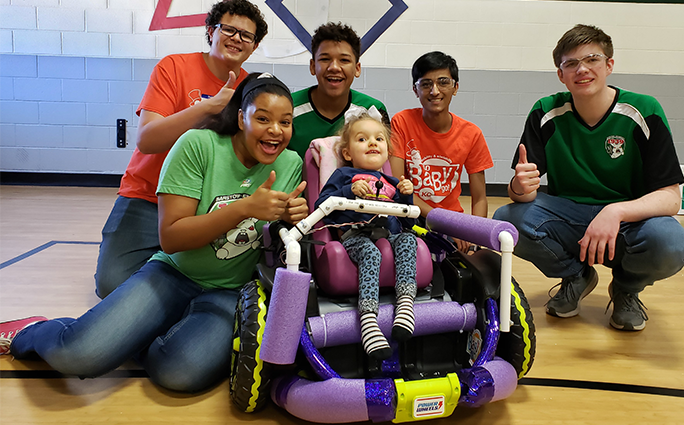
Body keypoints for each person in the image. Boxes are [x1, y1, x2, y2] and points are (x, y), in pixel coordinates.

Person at [0, 73, 308, 393]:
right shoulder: (197, 145)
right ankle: (30, 332)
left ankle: (137, 334)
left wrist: (289, 218)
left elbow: (273, 237)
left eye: (285, 122)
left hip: (229, 291)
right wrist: (244, 208)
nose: (275, 130)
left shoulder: (289, 164)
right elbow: (172, 238)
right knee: (79, 356)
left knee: (178, 374)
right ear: (241, 118)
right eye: (263, 118)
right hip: (172, 273)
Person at [492, 24, 684, 331]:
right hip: (569, 215)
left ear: (609, 64)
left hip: (627, 221)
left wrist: (616, 210)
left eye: (592, 59)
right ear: (561, 74)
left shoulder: (644, 110)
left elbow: (672, 197)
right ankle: (576, 276)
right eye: (571, 63)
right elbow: (521, 195)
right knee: (506, 219)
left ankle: (626, 289)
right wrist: (519, 186)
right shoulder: (545, 110)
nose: (582, 69)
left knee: (672, 241)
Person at [95, 0, 268, 298]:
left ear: (253, 47)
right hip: (147, 196)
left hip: (204, 205)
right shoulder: (173, 67)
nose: (237, 38)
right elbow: (147, 140)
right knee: (110, 284)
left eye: (246, 35)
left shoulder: (249, 89)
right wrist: (209, 108)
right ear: (210, 31)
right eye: (229, 29)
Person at [314, 106, 417, 360]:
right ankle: (368, 320)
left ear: (387, 150)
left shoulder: (391, 182)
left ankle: (405, 304)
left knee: (408, 239)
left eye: (379, 139)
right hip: (356, 238)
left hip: (389, 236)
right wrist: (349, 190)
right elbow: (321, 204)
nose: (372, 142)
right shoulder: (343, 175)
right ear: (347, 152)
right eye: (362, 139)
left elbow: (405, 215)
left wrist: (405, 193)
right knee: (371, 253)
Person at [390, 51, 493, 253]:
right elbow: (396, 184)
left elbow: (479, 198)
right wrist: (444, 223)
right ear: (415, 90)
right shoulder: (402, 122)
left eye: (443, 82)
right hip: (412, 216)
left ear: (455, 87)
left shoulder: (471, 134)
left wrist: (473, 235)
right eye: (426, 84)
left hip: (452, 221)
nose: (434, 91)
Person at [288, 22, 388, 159]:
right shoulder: (289, 108)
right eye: (325, 59)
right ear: (312, 66)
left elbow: (384, 163)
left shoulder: (372, 110)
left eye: (344, 60)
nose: (334, 67)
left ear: (357, 69)